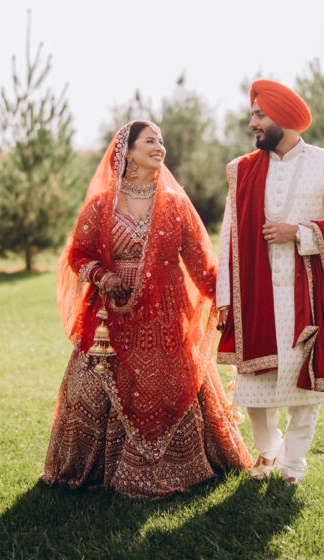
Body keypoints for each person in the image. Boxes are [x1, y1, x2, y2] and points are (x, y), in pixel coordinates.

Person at [43, 120, 252, 499]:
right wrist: (104, 277)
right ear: (128, 152)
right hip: (111, 316)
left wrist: (230, 295)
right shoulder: (102, 205)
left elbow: (201, 264)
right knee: (95, 387)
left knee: (171, 385)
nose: (160, 147)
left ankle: (179, 468)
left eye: (162, 141)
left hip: (165, 317)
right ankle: (97, 470)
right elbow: (78, 254)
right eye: (150, 141)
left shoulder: (175, 204)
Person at [216, 80, 324, 486]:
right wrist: (225, 296)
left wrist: (298, 232)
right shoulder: (241, 170)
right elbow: (229, 236)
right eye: (252, 115)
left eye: (260, 115)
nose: (252, 123)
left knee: (305, 385)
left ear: (283, 117)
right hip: (254, 295)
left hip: (308, 296)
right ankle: (268, 448)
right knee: (255, 383)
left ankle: (293, 465)